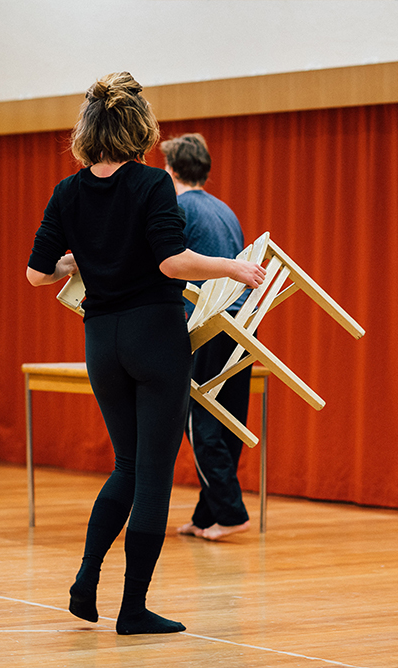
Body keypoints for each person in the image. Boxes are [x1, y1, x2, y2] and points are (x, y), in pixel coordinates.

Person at [26, 73, 266, 635]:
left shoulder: (67, 191)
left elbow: (37, 273)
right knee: (153, 476)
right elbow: (172, 262)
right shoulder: (153, 183)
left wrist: (77, 261)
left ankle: (86, 581)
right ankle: (132, 609)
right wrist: (234, 268)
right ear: (140, 128)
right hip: (155, 338)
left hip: (101, 343)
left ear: (87, 131)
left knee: (127, 467)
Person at [160, 133, 253, 542]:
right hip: (241, 323)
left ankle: (230, 512)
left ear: (170, 170)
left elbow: (171, 262)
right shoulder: (224, 209)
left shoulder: (179, 207)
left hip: (210, 322)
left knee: (199, 419)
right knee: (227, 417)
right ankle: (208, 513)